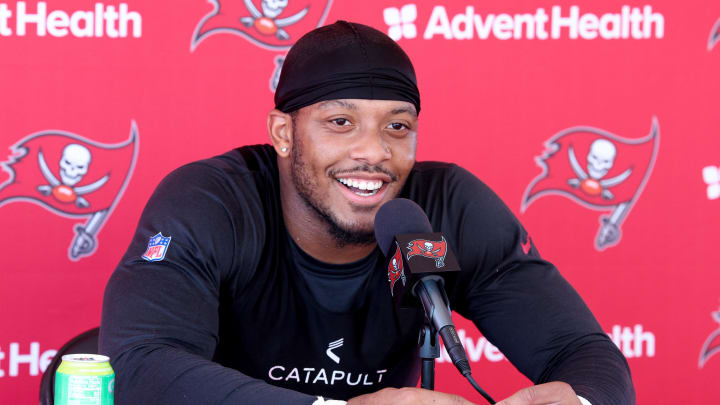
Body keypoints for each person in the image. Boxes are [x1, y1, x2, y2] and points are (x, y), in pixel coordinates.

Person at [99, 21, 635, 405]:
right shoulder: (212, 201)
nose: (375, 151)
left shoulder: (448, 207)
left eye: (397, 127)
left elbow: (581, 351)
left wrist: (577, 399)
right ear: (283, 134)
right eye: (340, 123)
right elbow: (142, 364)